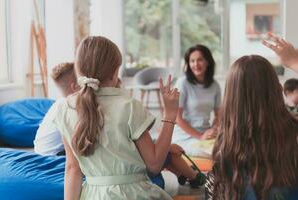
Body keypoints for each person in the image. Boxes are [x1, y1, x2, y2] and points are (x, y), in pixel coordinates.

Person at [50, 36, 180, 200]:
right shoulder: (129, 106)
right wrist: (170, 113)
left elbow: (72, 169)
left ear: (79, 69)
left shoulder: (64, 109)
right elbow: (154, 164)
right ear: (114, 73)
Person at [205, 55, 298, 200]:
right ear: (276, 89)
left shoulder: (225, 143)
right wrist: (294, 62)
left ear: (232, 96)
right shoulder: (293, 133)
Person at [172, 44, 221, 156]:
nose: (195, 64)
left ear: (208, 62)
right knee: (216, 153)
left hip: (206, 134)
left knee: (229, 148)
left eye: (200, 60)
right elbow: (177, 118)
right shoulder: (182, 83)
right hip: (184, 137)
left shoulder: (215, 85)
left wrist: (214, 129)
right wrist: (200, 136)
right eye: (192, 61)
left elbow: (219, 115)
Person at [34, 62, 79, 156]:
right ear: (75, 87)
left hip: (40, 151)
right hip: (53, 156)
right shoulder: (69, 107)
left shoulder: (59, 103)